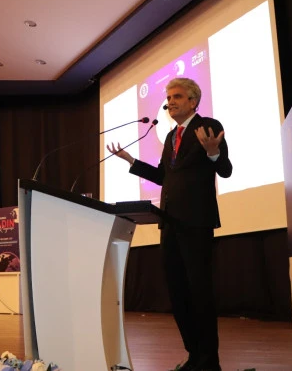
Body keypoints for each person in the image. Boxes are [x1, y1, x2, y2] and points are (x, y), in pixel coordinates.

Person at [107, 77, 232, 371]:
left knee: (199, 292)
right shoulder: (170, 137)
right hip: (170, 225)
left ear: (193, 101)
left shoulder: (208, 126)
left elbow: (225, 170)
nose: (170, 102)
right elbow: (164, 177)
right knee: (177, 293)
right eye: (168, 97)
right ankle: (194, 354)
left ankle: (209, 361)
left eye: (176, 96)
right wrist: (131, 161)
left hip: (196, 223)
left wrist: (213, 152)